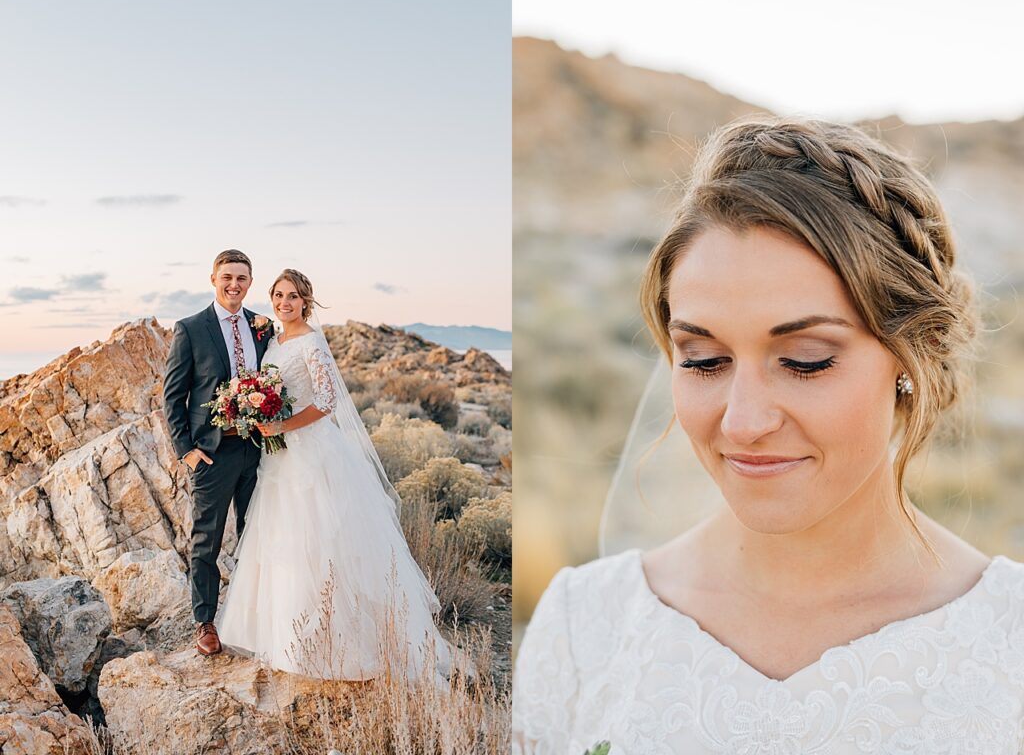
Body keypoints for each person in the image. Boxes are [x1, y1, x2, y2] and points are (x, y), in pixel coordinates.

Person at [511, 117, 1024, 753]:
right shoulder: (581, 625)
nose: (743, 422)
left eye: (806, 359)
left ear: (908, 357)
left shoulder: (1011, 644)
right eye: (702, 359)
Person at [215, 269, 454, 685]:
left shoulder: (310, 341)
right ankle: (282, 636)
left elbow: (326, 401)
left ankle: (333, 642)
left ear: (306, 301)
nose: (284, 303)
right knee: (281, 540)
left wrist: (281, 427)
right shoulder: (273, 339)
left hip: (312, 453)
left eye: (292, 297)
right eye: (278, 295)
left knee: (320, 540)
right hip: (279, 458)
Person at [163, 249, 274, 657]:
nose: (234, 285)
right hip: (212, 452)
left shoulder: (262, 327)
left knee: (257, 534)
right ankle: (205, 620)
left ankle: (253, 616)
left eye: (242, 278)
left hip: (259, 450)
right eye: (227, 277)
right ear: (213, 279)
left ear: (250, 282)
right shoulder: (191, 328)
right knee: (206, 540)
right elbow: (173, 396)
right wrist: (186, 451)